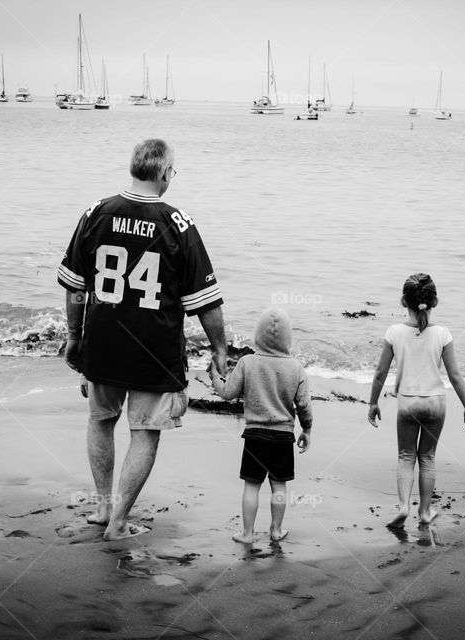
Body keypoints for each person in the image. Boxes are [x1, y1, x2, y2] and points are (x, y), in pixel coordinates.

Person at [58, 139, 228, 541]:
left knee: (100, 420)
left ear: (134, 167)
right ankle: (118, 521)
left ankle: (102, 506)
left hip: (103, 342)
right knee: (145, 431)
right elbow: (205, 300)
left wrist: (73, 335)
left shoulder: (96, 213)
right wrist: (220, 349)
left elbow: (76, 287)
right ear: (165, 173)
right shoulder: (178, 224)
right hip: (155, 349)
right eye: (174, 170)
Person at [367, 273, 465, 528]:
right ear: (434, 302)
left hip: (408, 403)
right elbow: (455, 375)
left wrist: (373, 403)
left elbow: (380, 373)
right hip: (436, 403)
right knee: (427, 458)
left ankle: (404, 507)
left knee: (406, 456)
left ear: (404, 302)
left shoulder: (394, 332)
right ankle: (425, 513)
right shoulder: (443, 334)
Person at [210, 307, 313, 543]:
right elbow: (304, 405)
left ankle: (247, 534)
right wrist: (306, 429)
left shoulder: (247, 362)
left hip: (255, 436)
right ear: (288, 337)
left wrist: (215, 375)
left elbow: (227, 392)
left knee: (252, 486)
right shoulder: (295, 367)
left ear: (258, 335)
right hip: (283, 438)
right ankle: (276, 531)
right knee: (279, 486)